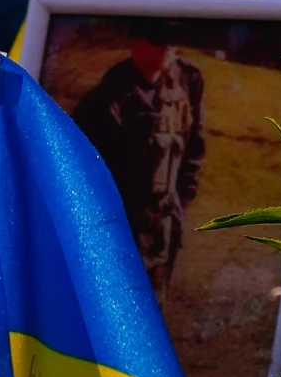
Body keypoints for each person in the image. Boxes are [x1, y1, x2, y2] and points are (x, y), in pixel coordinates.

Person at [73, 31, 206, 298]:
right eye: (157, 38)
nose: (167, 47)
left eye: (171, 39)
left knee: (154, 306)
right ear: (135, 43)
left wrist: (182, 198)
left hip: (164, 223)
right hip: (121, 225)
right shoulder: (103, 101)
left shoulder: (186, 84)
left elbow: (194, 149)